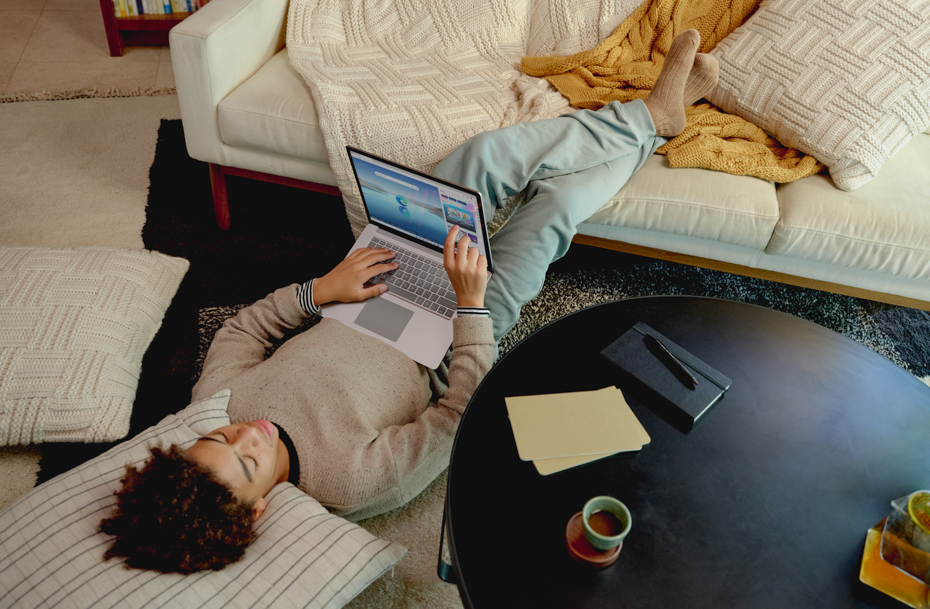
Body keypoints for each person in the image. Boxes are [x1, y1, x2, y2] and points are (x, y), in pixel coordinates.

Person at [100, 30, 718, 574]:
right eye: (247, 462)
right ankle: (654, 121)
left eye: (225, 439)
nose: (247, 437)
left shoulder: (218, 405)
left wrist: (324, 291)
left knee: (479, 159)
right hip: (452, 336)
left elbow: (241, 331)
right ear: (260, 506)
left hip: (371, 287)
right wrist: (471, 305)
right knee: (551, 212)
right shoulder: (352, 481)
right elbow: (456, 418)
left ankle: (648, 119)